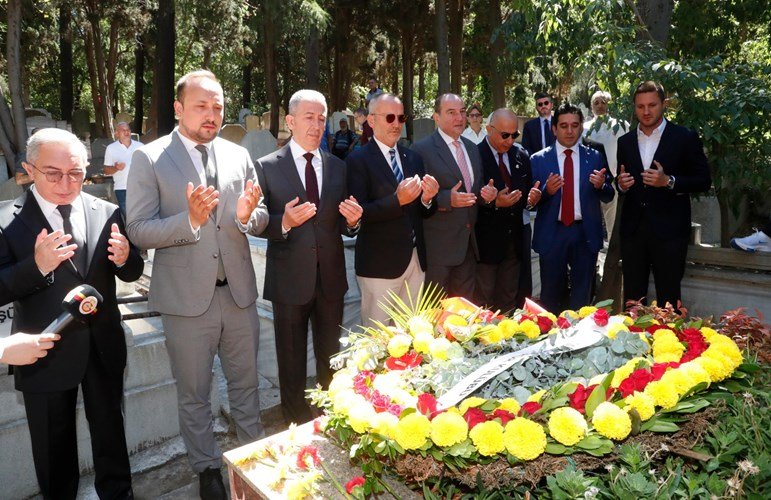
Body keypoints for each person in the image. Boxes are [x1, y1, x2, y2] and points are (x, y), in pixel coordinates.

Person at [126, 70, 268, 500]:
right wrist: (188, 220)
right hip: (187, 303)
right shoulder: (149, 158)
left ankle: (254, 461)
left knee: (247, 385)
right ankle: (206, 467)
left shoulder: (237, 154)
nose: (212, 115)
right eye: (202, 106)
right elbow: (138, 229)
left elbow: (257, 217)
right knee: (194, 393)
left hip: (239, 295)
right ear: (178, 108)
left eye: (218, 106)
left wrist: (246, 216)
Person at [0, 128, 143, 499]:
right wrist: (37, 265)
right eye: (53, 173)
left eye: (76, 173)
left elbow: (130, 271)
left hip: (102, 347)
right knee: (53, 449)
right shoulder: (6, 220)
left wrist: (128, 259)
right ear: (29, 169)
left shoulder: (107, 210)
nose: (67, 184)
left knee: (111, 438)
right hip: (44, 353)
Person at [254, 89, 363, 425]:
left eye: (321, 118)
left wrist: (354, 220)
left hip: (330, 277)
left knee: (331, 355)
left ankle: (331, 414)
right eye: (308, 117)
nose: (316, 125)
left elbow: (344, 222)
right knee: (291, 358)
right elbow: (256, 222)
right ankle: (296, 421)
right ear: (290, 121)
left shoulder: (337, 166)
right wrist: (283, 221)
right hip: (289, 279)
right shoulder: (267, 167)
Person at [616, 81, 711, 309]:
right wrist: (620, 184)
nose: (646, 112)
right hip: (633, 231)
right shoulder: (625, 141)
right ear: (634, 107)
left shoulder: (684, 137)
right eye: (640, 106)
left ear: (664, 104)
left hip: (670, 232)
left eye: (652, 105)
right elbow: (620, 178)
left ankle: (669, 344)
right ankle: (633, 343)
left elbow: (703, 180)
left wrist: (668, 181)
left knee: (669, 300)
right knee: (633, 301)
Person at [347, 93, 439, 325]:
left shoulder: (413, 158)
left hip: (416, 262)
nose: (397, 124)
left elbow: (423, 212)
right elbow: (358, 215)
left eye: (401, 117)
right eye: (390, 117)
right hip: (379, 266)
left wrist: (428, 199)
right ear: (371, 121)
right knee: (377, 345)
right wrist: (397, 200)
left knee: (414, 338)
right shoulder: (358, 160)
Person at [531, 103, 614, 313]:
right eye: (564, 126)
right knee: (549, 298)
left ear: (580, 128)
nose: (570, 131)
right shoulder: (538, 159)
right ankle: (548, 341)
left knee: (582, 298)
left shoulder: (594, 155)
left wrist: (600, 185)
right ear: (554, 128)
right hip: (552, 233)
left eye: (575, 125)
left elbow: (609, 194)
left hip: (584, 233)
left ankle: (580, 342)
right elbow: (530, 201)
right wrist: (547, 192)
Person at [412, 93, 496, 297]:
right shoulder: (421, 150)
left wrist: (487, 195)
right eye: (451, 113)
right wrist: (446, 199)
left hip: (468, 247)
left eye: (462, 112)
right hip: (438, 251)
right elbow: (416, 198)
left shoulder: (472, 148)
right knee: (434, 316)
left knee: (462, 316)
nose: (459, 118)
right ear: (436, 117)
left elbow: (475, 191)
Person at [475, 109, 541, 312]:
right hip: (486, 244)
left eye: (515, 135)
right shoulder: (475, 154)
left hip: (514, 243)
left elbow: (528, 192)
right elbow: (469, 195)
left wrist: (532, 200)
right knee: (482, 304)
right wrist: (495, 203)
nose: (510, 140)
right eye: (505, 135)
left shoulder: (520, 154)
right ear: (489, 129)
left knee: (509, 302)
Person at [583, 90, 628, 240]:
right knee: (589, 224)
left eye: (603, 102)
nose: (600, 105)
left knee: (613, 224)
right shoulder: (583, 129)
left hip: (614, 181)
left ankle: (612, 260)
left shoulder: (621, 126)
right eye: (596, 102)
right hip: (590, 182)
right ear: (591, 107)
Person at [103, 121, 142, 216]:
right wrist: (116, 168)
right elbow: (106, 170)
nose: (126, 132)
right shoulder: (111, 148)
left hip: (140, 187)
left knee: (143, 215)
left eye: (128, 130)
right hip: (122, 189)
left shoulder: (140, 146)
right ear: (116, 133)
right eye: (123, 130)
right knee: (128, 217)